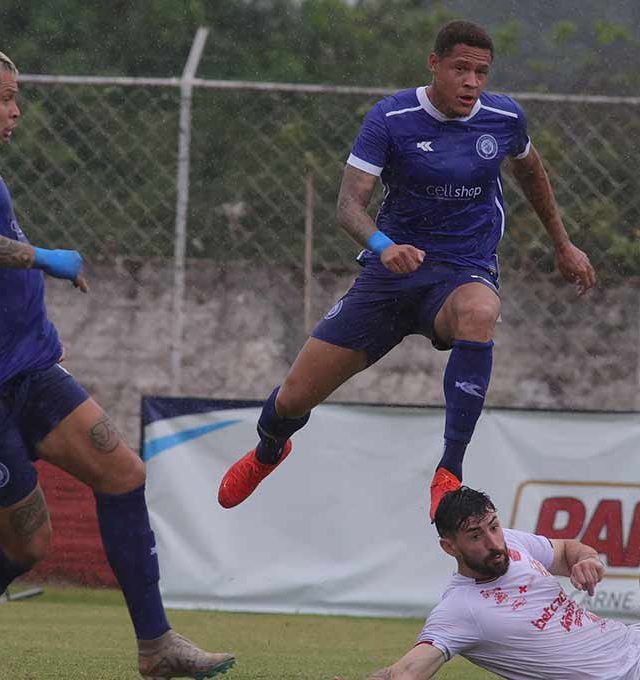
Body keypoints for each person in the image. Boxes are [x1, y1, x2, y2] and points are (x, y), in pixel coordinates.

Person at [218, 20, 596, 521]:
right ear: (434, 64)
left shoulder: (504, 118)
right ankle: (269, 450)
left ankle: (449, 470)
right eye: (460, 69)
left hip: (462, 270)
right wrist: (383, 245)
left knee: (481, 312)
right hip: (391, 277)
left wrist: (563, 244)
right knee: (292, 399)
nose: (471, 82)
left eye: (481, 72)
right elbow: (348, 206)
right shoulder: (391, 118)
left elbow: (532, 171)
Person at [0, 52, 234, 679]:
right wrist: (43, 257)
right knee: (30, 543)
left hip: (31, 371)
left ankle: (157, 647)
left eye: (15, 96)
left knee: (123, 472)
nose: (16, 111)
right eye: (4, 98)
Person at [342, 486, 640, 679]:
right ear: (449, 547)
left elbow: (565, 550)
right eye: (476, 536)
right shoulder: (460, 609)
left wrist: (587, 559)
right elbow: (406, 672)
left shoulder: (510, 542)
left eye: (494, 527)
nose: (494, 543)